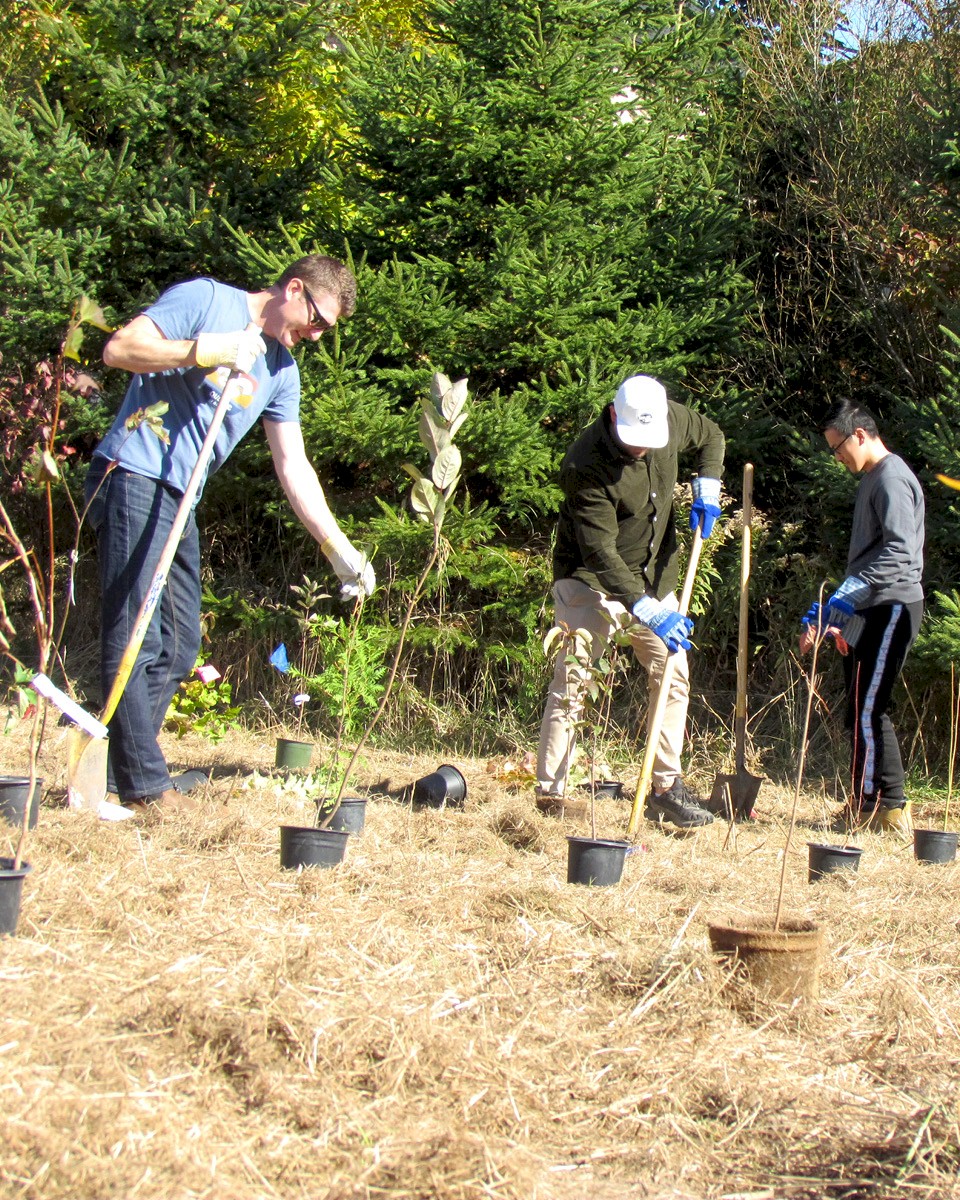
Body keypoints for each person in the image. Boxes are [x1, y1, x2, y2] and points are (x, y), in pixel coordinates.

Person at [85, 255, 374, 818]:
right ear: (293, 289)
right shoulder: (206, 300)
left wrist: (336, 547)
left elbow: (293, 465)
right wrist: (204, 351)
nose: (316, 335)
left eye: (327, 329)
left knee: (179, 645)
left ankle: (122, 771)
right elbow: (119, 349)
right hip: (134, 473)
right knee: (135, 633)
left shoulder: (281, 371)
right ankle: (144, 786)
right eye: (316, 320)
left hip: (180, 497)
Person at [536, 374, 725, 829]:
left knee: (672, 674)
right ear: (613, 414)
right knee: (574, 680)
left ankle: (665, 788)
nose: (641, 448)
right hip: (589, 579)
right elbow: (600, 553)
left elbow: (713, 436)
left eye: (649, 440)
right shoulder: (584, 463)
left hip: (654, 575)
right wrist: (645, 608)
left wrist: (708, 485)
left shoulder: (668, 419)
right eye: (633, 439)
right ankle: (552, 795)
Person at [799, 400, 924, 833]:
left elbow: (900, 551)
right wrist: (840, 612)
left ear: (859, 435)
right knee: (858, 707)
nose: (837, 457)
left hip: (892, 605)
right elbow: (870, 557)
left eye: (837, 448)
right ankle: (867, 800)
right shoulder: (873, 478)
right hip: (870, 607)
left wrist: (848, 596)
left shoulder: (891, 478)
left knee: (870, 707)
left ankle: (882, 806)